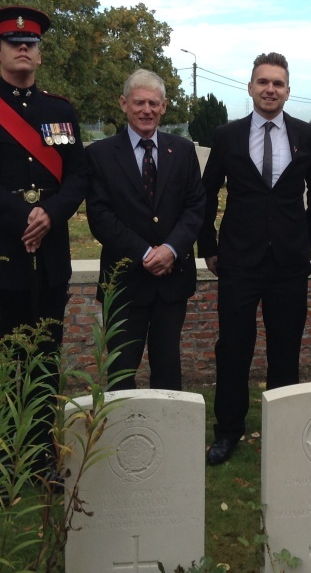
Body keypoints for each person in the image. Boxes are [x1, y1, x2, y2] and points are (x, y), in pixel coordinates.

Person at [0, 5, 88, 474]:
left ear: (40, 55)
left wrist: (50, 213)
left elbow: (78, 178)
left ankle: (42, 453)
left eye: (31, 44)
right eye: (13, 43)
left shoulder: (61, 110)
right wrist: (20, 213)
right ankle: (1, 457)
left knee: (45, 358)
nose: (23, 48)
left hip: (49, 257)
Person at [199, 52, 311, 466]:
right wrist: (209, 246)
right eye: (263, 82)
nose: (271, 89)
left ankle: (283, 428)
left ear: (288, 90)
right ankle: (228, 429)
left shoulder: (307, 135)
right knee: (233, 347)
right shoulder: (227, 135)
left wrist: (309, 240)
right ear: (250, 87)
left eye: (278, 83)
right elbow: (207, 193)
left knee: (285, 349)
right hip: (238, 260)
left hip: (288, 262)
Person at [85, 69, 205, 391]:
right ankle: (121, 439)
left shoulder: (182, 151)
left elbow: (196, 207)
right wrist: (145, 252)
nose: (146, 110)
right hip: (124, 282)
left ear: (164, 107)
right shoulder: (99, 155)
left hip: (172, 280)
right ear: (124, 104)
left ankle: (167, 437)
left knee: (168, 369)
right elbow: (100, 216)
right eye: (139, 102)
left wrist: (171, 249)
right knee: (121, 372)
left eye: (154, 103)